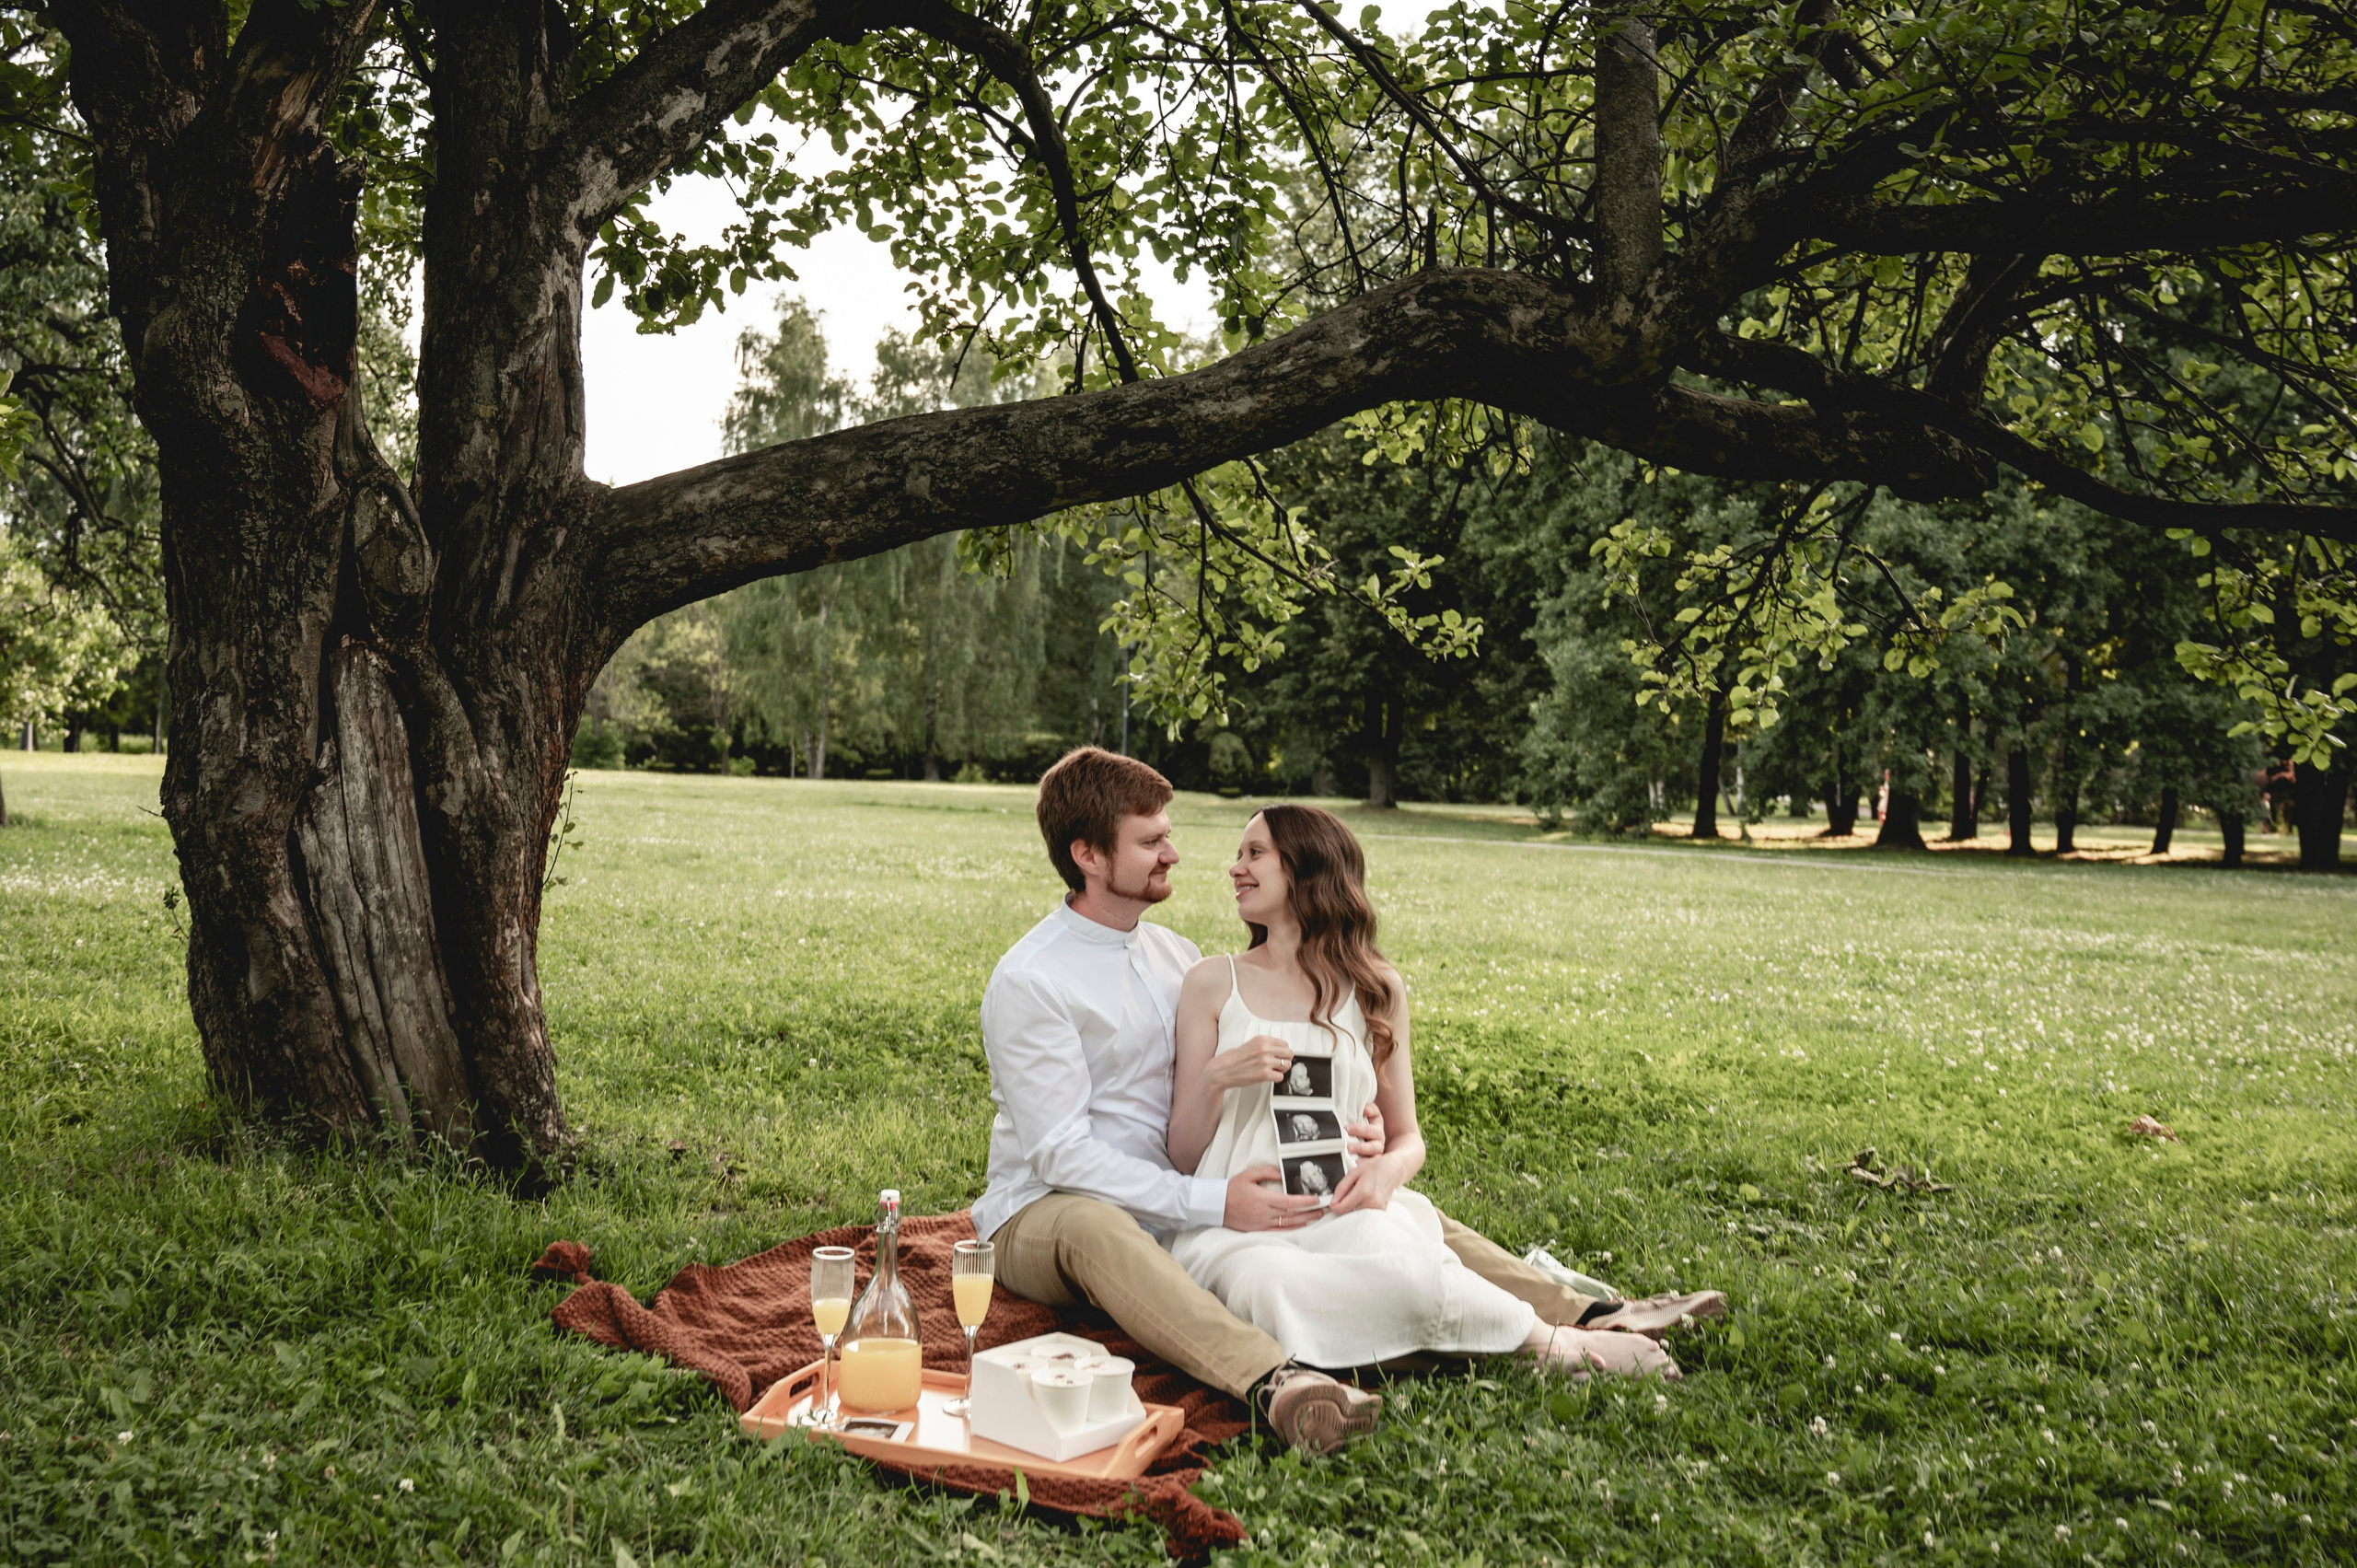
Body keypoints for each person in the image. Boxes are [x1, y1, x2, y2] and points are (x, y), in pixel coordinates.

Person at [975, 748, 1725, 1456]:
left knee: (1379, 1205)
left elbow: (1264, 1034)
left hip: (1189, 1190)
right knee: (1096, 1223)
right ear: (1089, 854)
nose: (1175, 854)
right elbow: (1059, 1154)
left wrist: (1354, 1129)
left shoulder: (1171, 953)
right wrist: (1205, 1198)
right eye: (1151, 841)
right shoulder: (1033, 980)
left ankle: (1589, 1314)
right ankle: (1276, 1380)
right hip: (1049, 1208)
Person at [1165, 804, 1696, 1376]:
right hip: (1238, 1224)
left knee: (1413, 1269)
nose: (1235, 868)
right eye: (1238, 854)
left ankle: (1549, 1345)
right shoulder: (1213, 982)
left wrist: (1384, 1174)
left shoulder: (1374, 988)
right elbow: (1184, 1154)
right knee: (1268, 1290)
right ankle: (1534, 1348)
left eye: (1254, 853)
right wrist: (1221, 1075)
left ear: (1307, 868)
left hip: (1340, 1207)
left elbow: (1407, 1137)